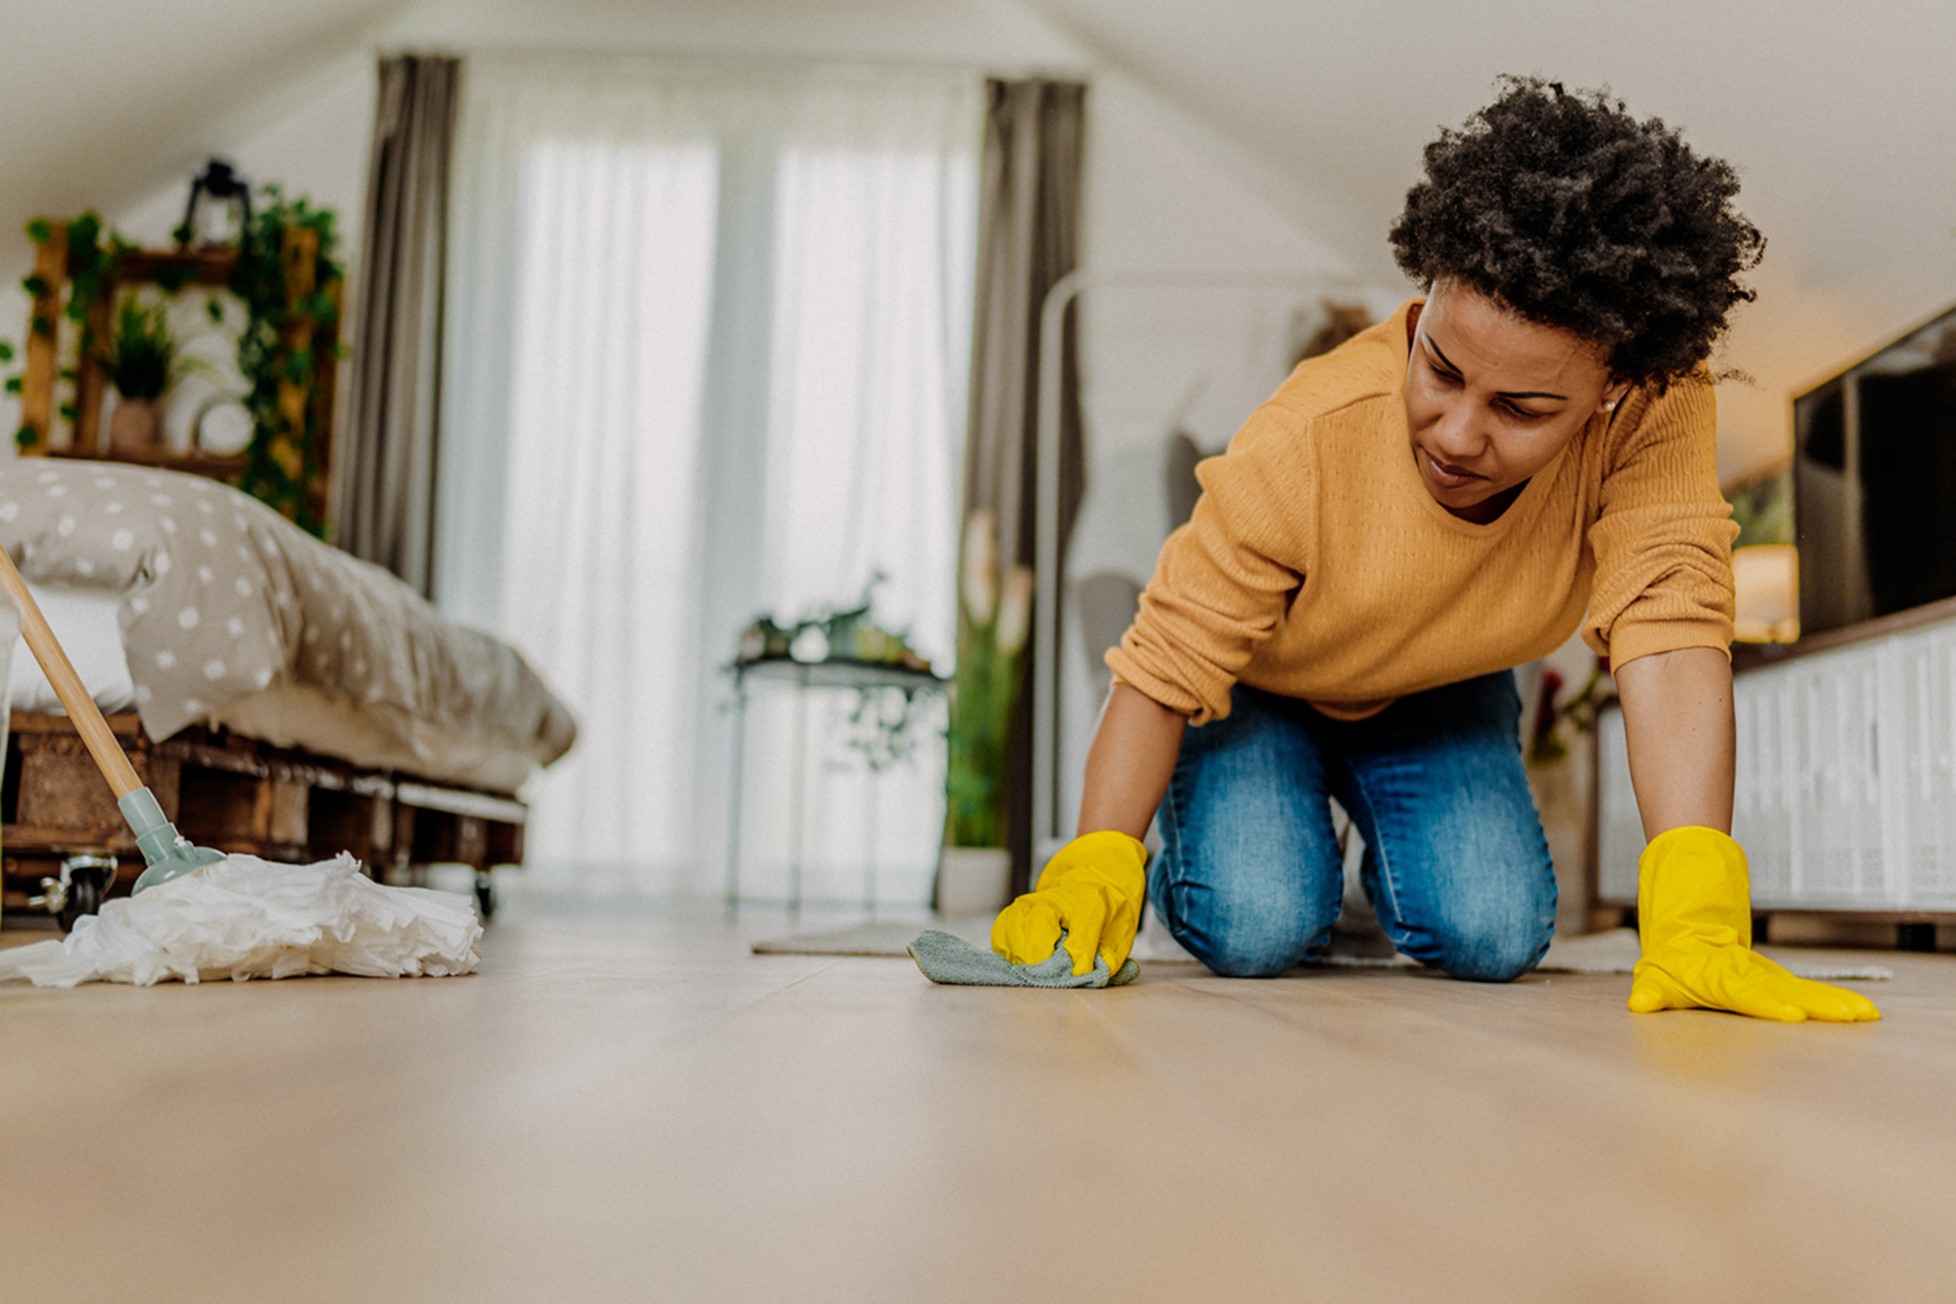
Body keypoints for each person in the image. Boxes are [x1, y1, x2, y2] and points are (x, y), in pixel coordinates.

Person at [989, 77, 1880, 1023]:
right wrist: (1092, 864)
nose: (1456, 433)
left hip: (1441, 684)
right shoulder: (1308, 435)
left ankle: (1361, 846)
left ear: (1612, 391)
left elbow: (1669, 626)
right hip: (1261, 685)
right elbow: (1164, 663)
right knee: (1254, 925)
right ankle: (1225, 852)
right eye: (1442, 372)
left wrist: (1698, 914)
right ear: (1421, 311)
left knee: (1490, 936)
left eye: (1522, 409)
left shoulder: (1657, 406)